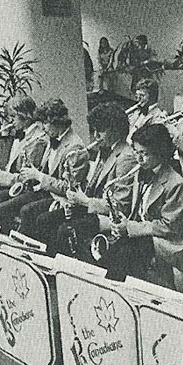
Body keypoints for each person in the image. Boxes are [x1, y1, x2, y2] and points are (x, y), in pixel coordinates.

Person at [97, 123, 183, 285]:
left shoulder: (175, 183)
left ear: (160, 152)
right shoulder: (139, 172)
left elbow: (169, 227)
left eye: (144, 153)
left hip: (164, 241)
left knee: (124, 257)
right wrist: (122, 223)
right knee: (107, 257)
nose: (138, 158)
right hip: (141, 236)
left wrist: (130, 227)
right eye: (136, 152)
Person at [50, 102, 137, 260]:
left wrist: (85, 201)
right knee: (47, 220)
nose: (95, 136)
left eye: (100, 130)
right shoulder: (105, 150)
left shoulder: (126, 157)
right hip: (93, 208)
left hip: (109, 217)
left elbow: (121, 205)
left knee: (65, 230)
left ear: (115, 130)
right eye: (94, 130)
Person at [0, 98, 84, 235]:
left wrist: (39, 176)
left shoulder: (74, 146)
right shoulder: (54, 138)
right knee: (4, 208)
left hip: (59, 199)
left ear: (57, 122)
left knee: (27, 211)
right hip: (44, 191)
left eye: (46, 123)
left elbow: (69, 188)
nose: (43, 128)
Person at [127, 78, 167, 144]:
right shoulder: (136, 112)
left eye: (142, 95)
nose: (138, 99)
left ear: (152, 96)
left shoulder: (158, 116)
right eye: (137, 96)